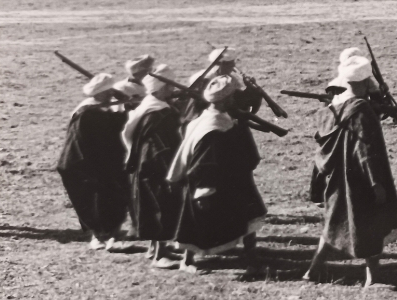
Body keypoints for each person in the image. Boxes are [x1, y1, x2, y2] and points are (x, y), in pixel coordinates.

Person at [302, 53, 397, 286]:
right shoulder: (361, 110)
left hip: (333, 176)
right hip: (358, 179)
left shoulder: (332, 109)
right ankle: (372, 278)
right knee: (371, 224)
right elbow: (365, 150)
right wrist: (376, 182)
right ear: (364, 81)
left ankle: (314, 269)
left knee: (333, 222)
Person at [168, 75, 267, 274]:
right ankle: (187, 262)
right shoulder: (212, 127)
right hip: (210, 184)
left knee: (250, 214)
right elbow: (204, 163)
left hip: (233, 179)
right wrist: (204, 190)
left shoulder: (219, 118)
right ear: (225, 100)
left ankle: (251, 258)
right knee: (197, 223)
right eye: (232, 96)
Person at [57, 73, 130, 251]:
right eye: (110, 91)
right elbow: (107, 132)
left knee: (109, 196)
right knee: (93, 200)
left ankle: (109, 232)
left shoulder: (99, 109)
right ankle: (98, 235)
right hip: (82, 164)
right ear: (103, 93)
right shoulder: (88, 113)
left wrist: (124, 103)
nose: (112, 93)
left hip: (97, 162)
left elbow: (116, 123)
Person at [122, 65, 184, 268]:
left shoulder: (150, 107)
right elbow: (160, 145)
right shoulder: (158, 114)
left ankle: (156, 249)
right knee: (160, 207)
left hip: (147, 165)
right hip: (155, 166)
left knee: (154, 207)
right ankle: (159, 255)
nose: (172, 91)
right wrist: (172, 171)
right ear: (159, 89)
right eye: (169, 87)